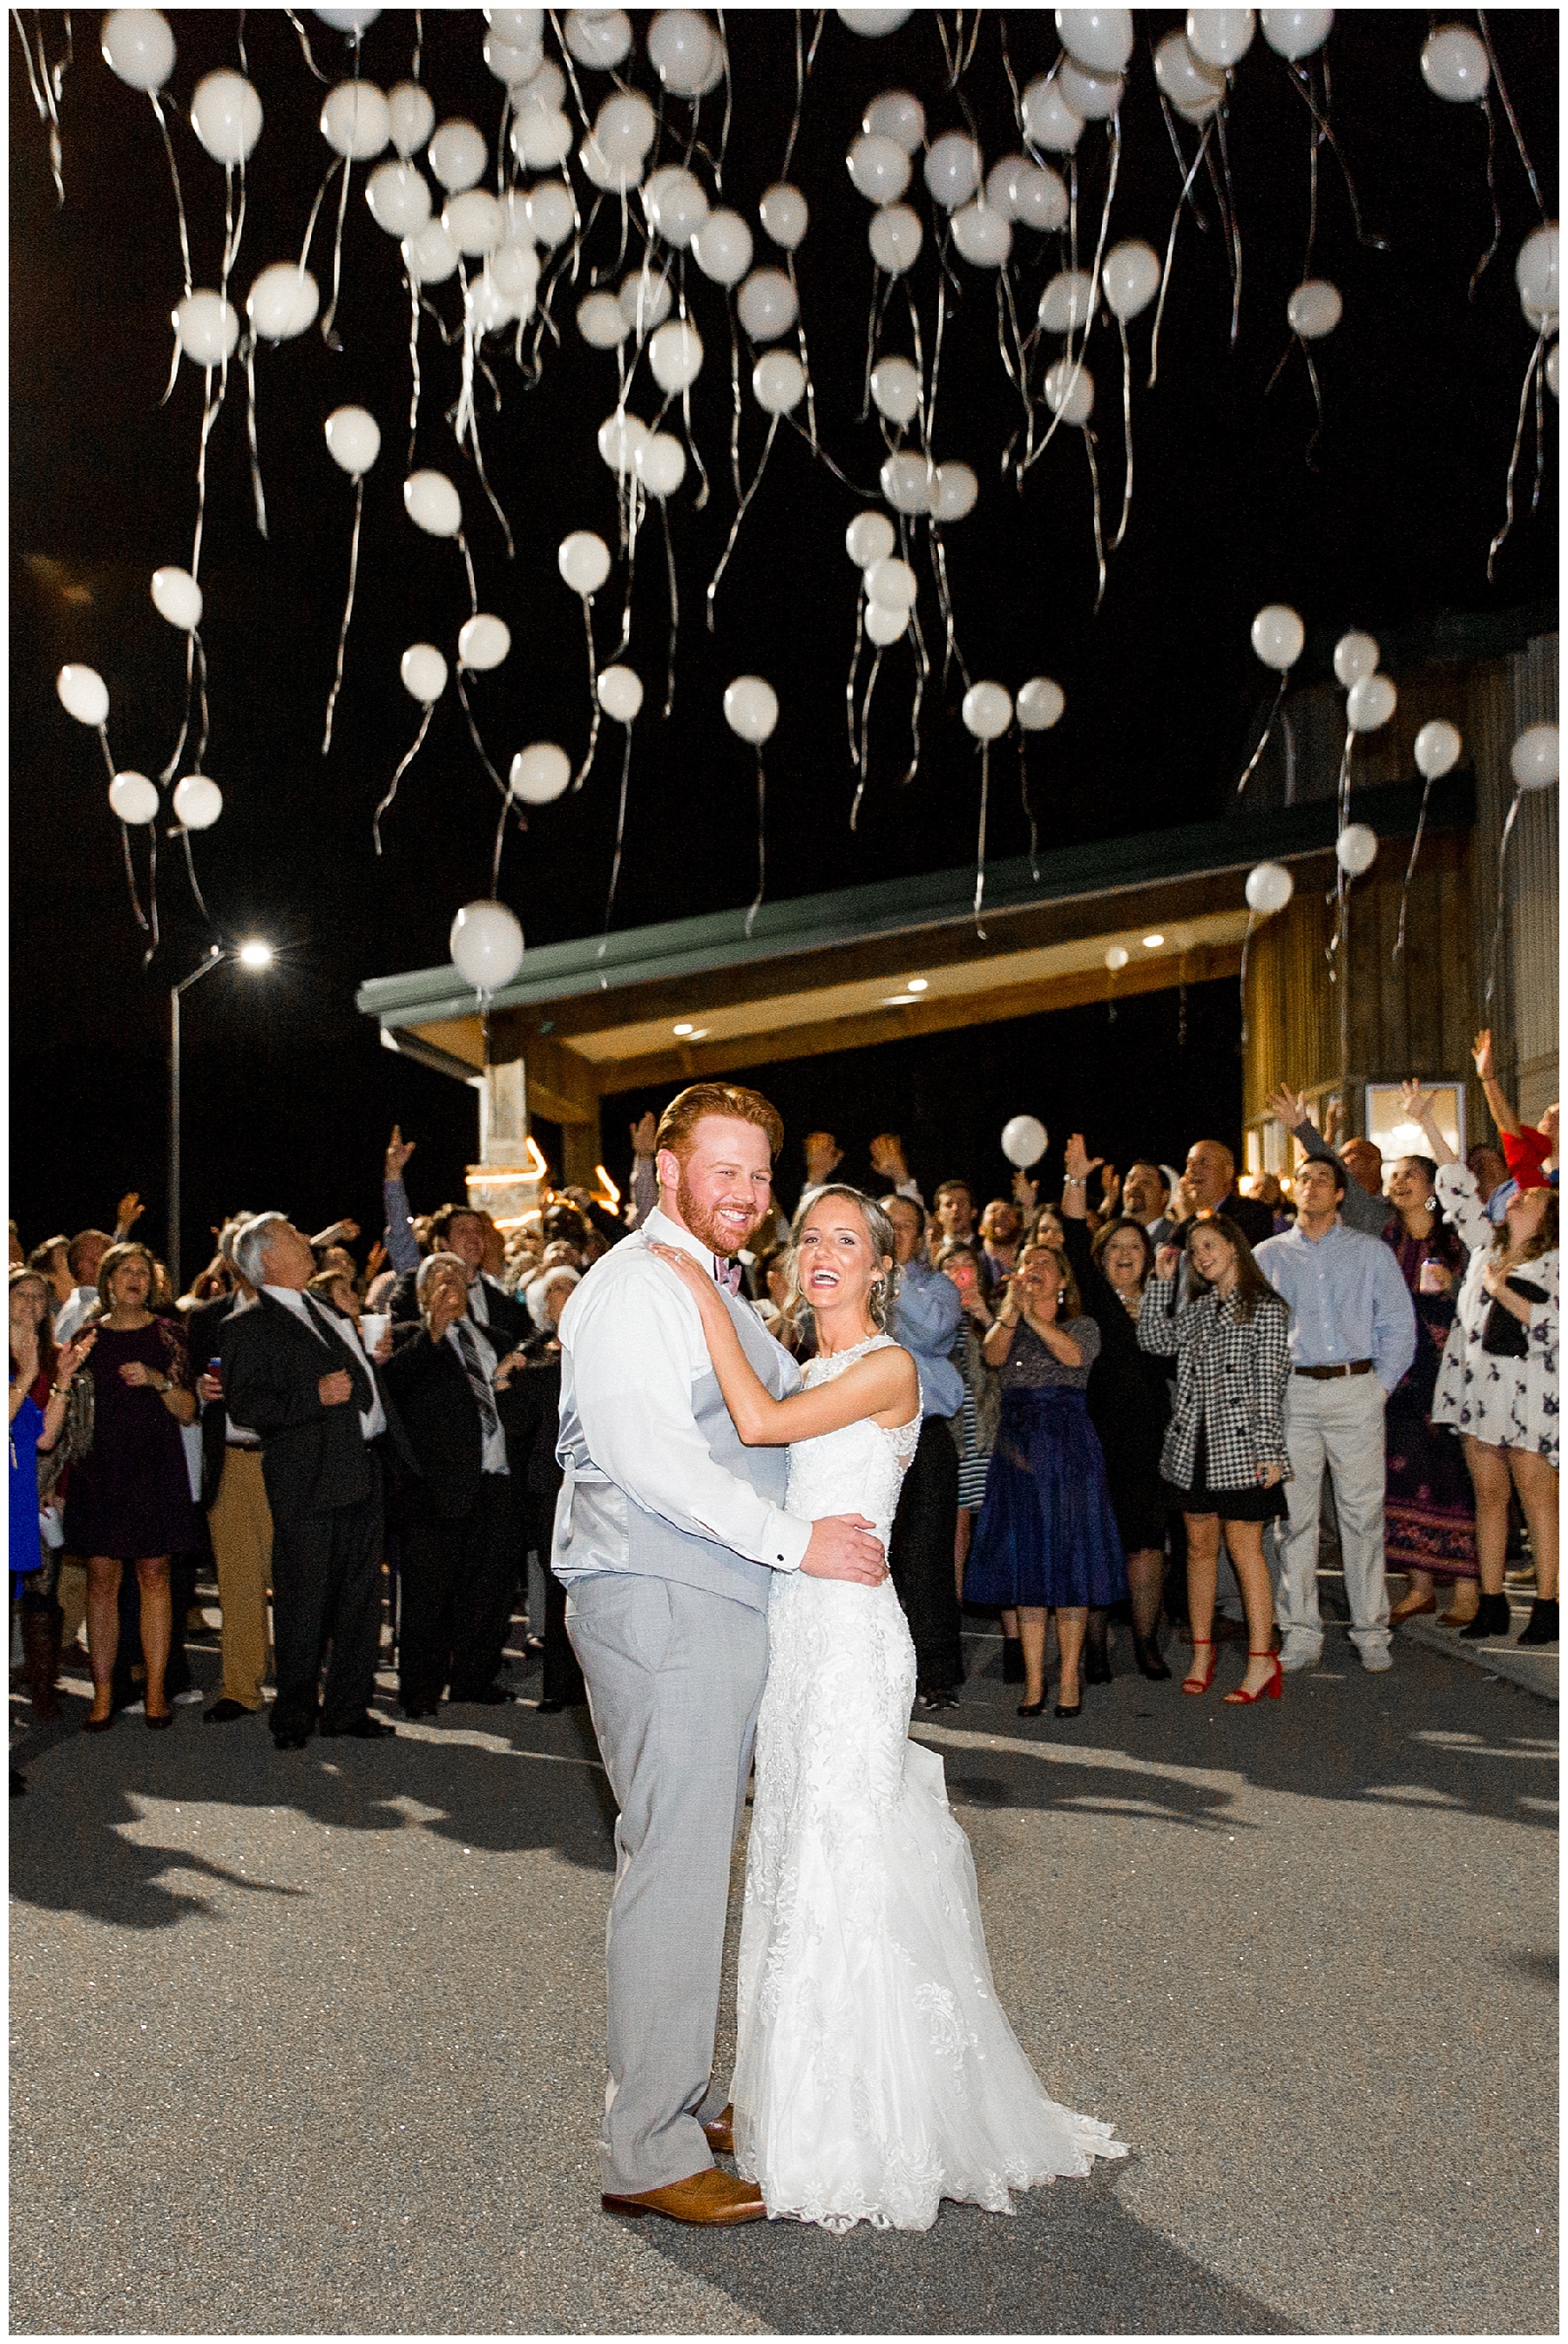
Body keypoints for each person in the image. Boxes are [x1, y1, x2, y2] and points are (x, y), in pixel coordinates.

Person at [647, 1187, 1126, 2232]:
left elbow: (760, 1423)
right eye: (809, 1238)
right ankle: (783, 2091)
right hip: (795, 1630)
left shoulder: (890, 1367)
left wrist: (698, 1291)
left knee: (842, 1855)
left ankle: (856, 2118)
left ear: (880, 1269)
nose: (822, 1252)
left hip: (853, 1641)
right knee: (789, 1850)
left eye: (845, 1240)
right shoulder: (806, 1364)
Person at [553, 1082, 887, 2228]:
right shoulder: (635, 1286)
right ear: (667, 1168)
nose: (745, 1191)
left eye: (759, 1173)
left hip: (712, 1597)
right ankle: (648, 2146)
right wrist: (798, 1541)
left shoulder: (709, 1284)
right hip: (662, 1595)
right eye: (723, 1168)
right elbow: (650, 1458)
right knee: (677, 1862)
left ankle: (679, 2102)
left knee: (696, 1859)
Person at [221, 1215, 410, 1750]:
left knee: (360, 1599)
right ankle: (294, 1715)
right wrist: (314, 1396)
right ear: (268, 1259)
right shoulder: (247, 1326)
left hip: (361, 1468)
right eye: (292, 1236)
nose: (305, 1241)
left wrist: (372, 1361)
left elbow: (353, 1377)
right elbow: (246, 1406)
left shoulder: (324, 1307)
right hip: (308, 1478)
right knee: (304, 1600)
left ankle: (347, 1709)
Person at [1407, 1082, 1559, 1646]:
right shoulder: (1487, 1245)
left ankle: (1548, 1605)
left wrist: (1502, 1291)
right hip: (1478, 1387)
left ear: (1550, 1212)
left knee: (1536, 1496)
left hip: (1531, 1389)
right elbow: (1455, 1187)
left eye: (1531, 1195)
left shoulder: (1557, 1260)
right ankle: (1491, 1601)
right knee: (1488, 1495)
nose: (1517, 1196)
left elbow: (1556, 1323)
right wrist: (1427, 1123)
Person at [1255, 1158, 1416, 1675]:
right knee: (1294, 1520)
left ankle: (1371, 1630)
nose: (1312, 1186)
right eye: (1304, 1179)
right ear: (1294, 1191)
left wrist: (1378, 1388)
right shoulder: (1267, 1256)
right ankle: (1301, 1632)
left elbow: (1398, 1323)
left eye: (1324, 1179)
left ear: (1341, 1193)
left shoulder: (1370, 1253)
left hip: (1355, 1388)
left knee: (1361, 1516)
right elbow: (1254, 1330)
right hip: (1294, 1394)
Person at [966, 1240, 1127, 1718]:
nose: (1032, 1269)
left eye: (1043, 1264)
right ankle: (1035, 1680)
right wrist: (1010, 1312)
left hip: (1067, 1447)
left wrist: (1033, 1317)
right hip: (1017, 1448)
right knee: (1027, 1561)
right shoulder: (1009, 1325)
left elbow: (1073, 1357)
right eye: (1025, 1262)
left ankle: (1070, 1676)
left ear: (1061, 1282)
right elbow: (993, 1355)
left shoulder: (1083, 1324)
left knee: (1071, 1560)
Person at [1138, 1217, 1293, 1704]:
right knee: (1199, 1550)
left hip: (1241, 1446)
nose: (1201, 1256)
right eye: (1194, 1250)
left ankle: (1261, 1659)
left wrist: (1270, 1452)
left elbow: (1269, 1385)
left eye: (1209, 1245)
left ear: (1234, 1246)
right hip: (1193, 1447)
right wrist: (1161, 1284)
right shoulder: (1200, 1308)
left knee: (1246, 1551)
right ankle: (1202, 1654)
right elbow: (1154, 1341)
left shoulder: (1266, 1308)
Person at [381, 1251, 531, 1717]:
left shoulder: (495, 1339)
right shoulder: (407, 1338)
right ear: (422, 1293)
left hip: (496, 1480)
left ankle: (473, 1678)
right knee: (430, 1595)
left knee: (489, 1589)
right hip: (435, 1489)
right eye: (439, 1279)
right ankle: (420, 1691)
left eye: (457, 1279)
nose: (450, 1285)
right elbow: (394, 1388)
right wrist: (433, 1331)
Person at [62, 1241, 199, 1731]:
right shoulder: (88, 1335)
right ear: (108, 1281)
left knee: (155, 1575)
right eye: (125, 1271)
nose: (136, 1279)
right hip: (99, 1470)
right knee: (101, 1579)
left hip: (154, 1467)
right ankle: (103, 1693)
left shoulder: (169, 1334)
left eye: (143, 1271)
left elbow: (188, 1409)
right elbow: (69, 1409)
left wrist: (158, 1380)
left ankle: (156, 1692)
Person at [1058, 1138, 1174, 1679]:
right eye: (1114, 1248)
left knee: (1146, 1546)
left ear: (1148, 1256)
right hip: (1096, 1438)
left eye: (1135, 1247)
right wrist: (1077, 1179)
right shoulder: (1098, 1302)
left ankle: (1146, 1643)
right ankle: (1097, 1648)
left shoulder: (1165, 1301)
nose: (1125, 1254)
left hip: (1152, 1440)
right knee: (1099, 1543)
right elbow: (1073, 1232)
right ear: (1101, 1258)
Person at [1377, 1154, 1478, 1629]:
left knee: (1454, 1477)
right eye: (1394, 1175)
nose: (1400, 1182)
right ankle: (1419, 1589)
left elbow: (1480, 1298)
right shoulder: (1385, 1240)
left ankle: (1467, 1590)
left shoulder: (1454, 1236)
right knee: (1403, 1473)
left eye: (1411, 1174)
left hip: (1450, 1372)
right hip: (1399, 1375)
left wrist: (1452, 1285)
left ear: (1433, 1186)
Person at [186, 1220, 275, 1727]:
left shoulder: (295, 1310)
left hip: (285, 1459)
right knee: (237, 1579)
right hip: (231, 1458)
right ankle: (241, 1687)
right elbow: (190, 1382)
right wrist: (201, 1392)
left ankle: (301, 1678)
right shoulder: (207, 1318)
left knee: (294, 1574)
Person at [879, 1193, 966, 1709]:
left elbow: (933, 1334)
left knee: (928, 1554)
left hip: (925, 1434)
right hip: (866, 1436)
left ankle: (936, 1672)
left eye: (906, 1225)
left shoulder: (938, 1287)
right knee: (875, 1553)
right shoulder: (852, 1281)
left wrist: (894, 1277)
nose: (895, 1231)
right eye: (886, 1222)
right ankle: (881, 1671)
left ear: (924, 1235)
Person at [10, 1272, 95, 1719]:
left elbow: (46, 1437)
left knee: (34, 1590)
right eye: (19, 1295)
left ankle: (40, 1684)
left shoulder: (46, 1358)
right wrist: (28, 1373)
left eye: (38, 1298)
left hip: (25, 1496)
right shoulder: (20, 1366)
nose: (29, 1304)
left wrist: (60, 1378)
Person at [504, 1266, 585, 1714]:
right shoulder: (532, 1356)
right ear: (541, 1305)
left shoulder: (600, 1345)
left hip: (596, 1477)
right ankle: (557, 1684)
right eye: (555, 1288)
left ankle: (591, 1687)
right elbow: (516, 1421)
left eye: (571, 1285)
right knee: (557, 1586)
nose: (565, 1293)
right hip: (550, 1484)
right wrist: (503, 1381)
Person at [934, 1241, 998, 1603]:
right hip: (953, 1436)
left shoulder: (997, 1312)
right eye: (950, 1265)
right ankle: (955, 1608)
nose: (959, 1271)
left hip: (992, 1434)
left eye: (966, 1264)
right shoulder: (931, 1318)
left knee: (995, 1527)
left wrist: (984, 1315)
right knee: (956, 1531)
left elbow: (1010, 1360)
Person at [1267, 1085, 1396, 1238]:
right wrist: (1307, 1130)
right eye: (1340, 1156)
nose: (1342, 1161)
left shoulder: (1390, 1210)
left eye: (1350, 1155)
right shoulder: (1335, 1205)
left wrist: (1303, 1129)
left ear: (1374, 1161)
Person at [1168, 1141, 1276, 1251]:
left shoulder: (1254, 1213)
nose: (1193, 1169)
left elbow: (1234, 1255)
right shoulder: (1179, 1224)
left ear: (1228, 1172)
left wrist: (1190, 1219)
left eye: (1203, 1162)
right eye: (1190, 1163)